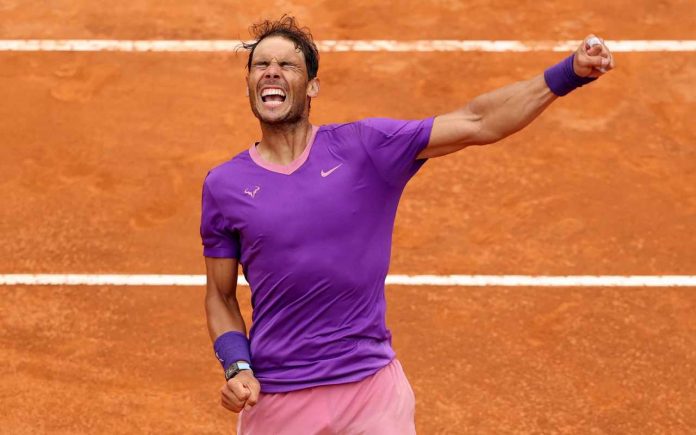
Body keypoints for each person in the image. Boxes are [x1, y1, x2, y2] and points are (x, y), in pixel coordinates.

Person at [200, 15, 614, 434]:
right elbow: (220, 294)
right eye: (260, 64)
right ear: (250, 83)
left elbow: (478, 121)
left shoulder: (364, 148)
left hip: (371, 393)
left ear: (312, 86)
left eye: (287, 65)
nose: (271, 71)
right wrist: (237, 367)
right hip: (279, 399)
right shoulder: (224, 186)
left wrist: (568, 73)